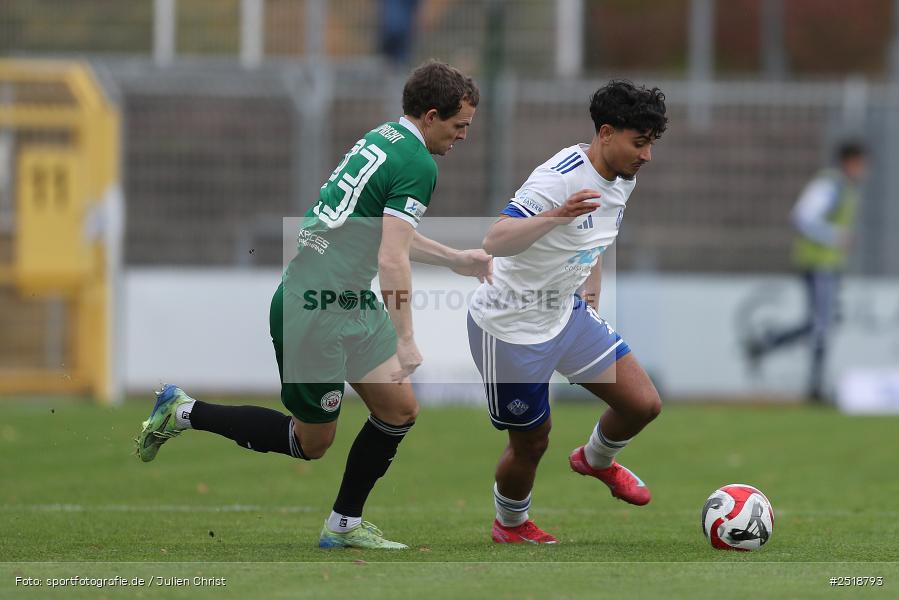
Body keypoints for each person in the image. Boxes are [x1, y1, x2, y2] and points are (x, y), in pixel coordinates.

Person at [135, 60, 491, 550]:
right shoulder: (418, 163)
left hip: (346, 299)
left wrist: (455, 259)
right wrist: (407, 338)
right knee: (312, 442)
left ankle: (342, 525)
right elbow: (391, 257)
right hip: (315, 308)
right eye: (459, 126)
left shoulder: (386, 137)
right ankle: (184, 411)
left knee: (400, 409)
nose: (463, 137)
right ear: (431, 116)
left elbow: (388, 235)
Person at [466, 80, 667, 544]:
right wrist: (556, 215)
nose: (647, 156)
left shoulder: (622, 178)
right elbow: (495, 240)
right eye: (639, 143)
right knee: (532, 442)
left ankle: (595, 460)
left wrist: (591, 297)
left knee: (643, 404)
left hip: (567, 315)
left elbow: (592, 240)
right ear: (606, 133)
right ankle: (510, 526)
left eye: (651, 144)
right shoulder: (558, 177)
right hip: (510, 326)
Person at [744, 141, 867, 402]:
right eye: (861, 164)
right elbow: (801, 217)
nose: (864, 170)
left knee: (822, 322)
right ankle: (815, 388)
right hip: (818, 264)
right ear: (851, 161)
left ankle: (769, 343)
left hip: (828, 265)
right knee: (823, 323)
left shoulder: (843, 187)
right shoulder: (831, 185)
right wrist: (835, 237)